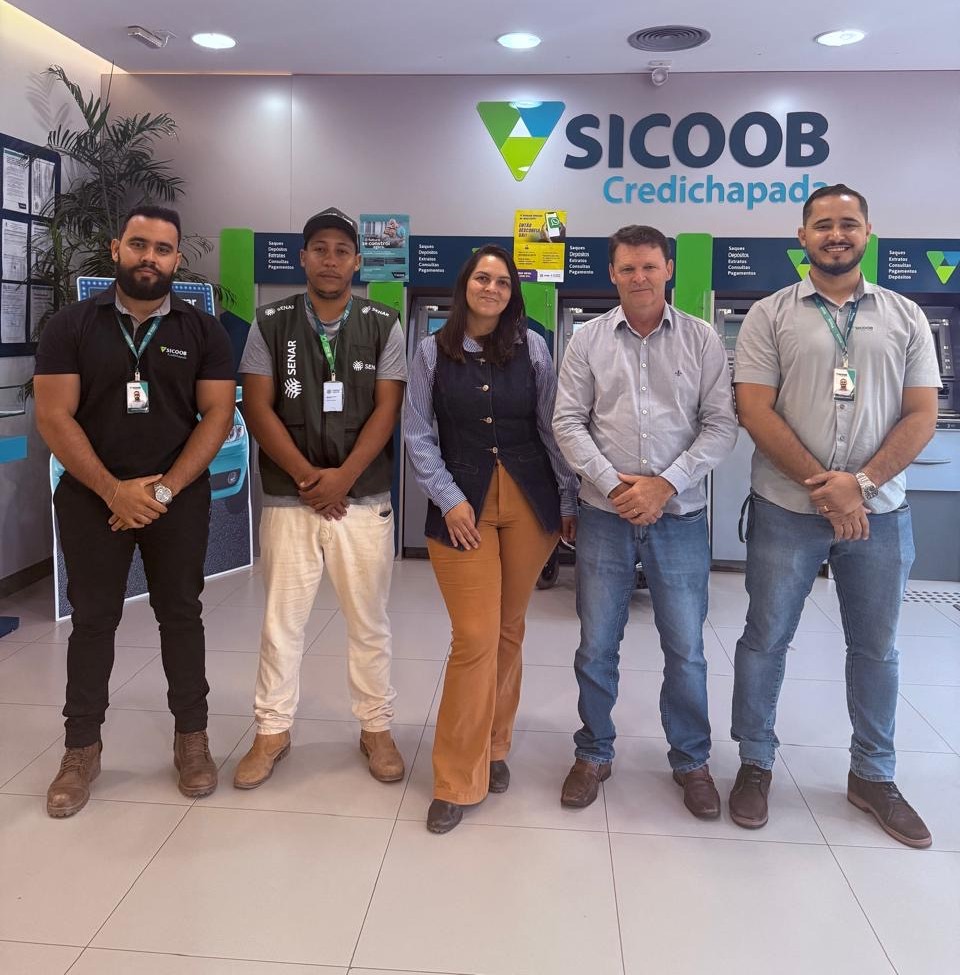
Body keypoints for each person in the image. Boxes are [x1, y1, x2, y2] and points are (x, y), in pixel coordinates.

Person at [730, 184, 940, 848]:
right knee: (765, 640)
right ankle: (755, 763)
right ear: (803, 236)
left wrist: (863, 484)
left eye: (848, 223)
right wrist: (826, 488)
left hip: (881, 514)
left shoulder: (907, 315)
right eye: (823, 224)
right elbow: (754, 408)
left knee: (876, 648)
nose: (836, 234)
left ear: (868, 232)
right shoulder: (769, 314)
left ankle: (873, 775)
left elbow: (923, 413)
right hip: (786, 510)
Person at [34, 204, 236, 817]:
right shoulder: (70, 325)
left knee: (182, 614)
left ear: (178, 260)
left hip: (178, 497)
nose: (151, 257)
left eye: (163, 249)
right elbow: (54, 416)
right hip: (91, 497)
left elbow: (217, 416)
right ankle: (81, 749)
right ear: (117, 249)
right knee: (93, 620)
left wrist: (163, 491)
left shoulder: (203, 331)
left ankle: (192, 739)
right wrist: (113, 491)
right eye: (140, 244)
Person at [553, 224, 738, 818]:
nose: (639, 277)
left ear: (668, 270)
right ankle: (593, 752)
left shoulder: (703, 340)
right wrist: (614, 486)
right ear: (612, 273)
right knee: (595, 644)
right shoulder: (586, 340)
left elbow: (721, 426)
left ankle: (691, 760)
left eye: (649, 266)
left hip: (679, 517)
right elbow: (567, 422)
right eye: (628, 268)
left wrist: (665, 485)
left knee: (686, 648)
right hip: (604, 516)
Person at [404, 244, 578, 833]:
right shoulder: (431, 351)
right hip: (462, 507)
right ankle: (456, 777)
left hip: (530, 502)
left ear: (512, 294)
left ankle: (495, 744)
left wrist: (568, 498)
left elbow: (551, 426)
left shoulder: (534, 348)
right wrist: (448, 497)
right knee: (475, 637)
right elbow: (417, 433)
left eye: (503, 282)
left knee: (508, 629)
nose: (492, 288)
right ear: (465, 286)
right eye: (483, 278)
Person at [235, 207, 407, 789]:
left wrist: (343, 479)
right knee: (281, 623)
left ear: (357, 262)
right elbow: (257, 406)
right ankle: (271, 730)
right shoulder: (269, 322)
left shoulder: (384, 322)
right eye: (320, 249)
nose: (331, 260)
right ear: (302, 258)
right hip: (291, 498)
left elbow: (387, 410)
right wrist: (311, 478)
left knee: (369, 623)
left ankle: (376, 727)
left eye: (342, 251)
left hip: (364, 499)